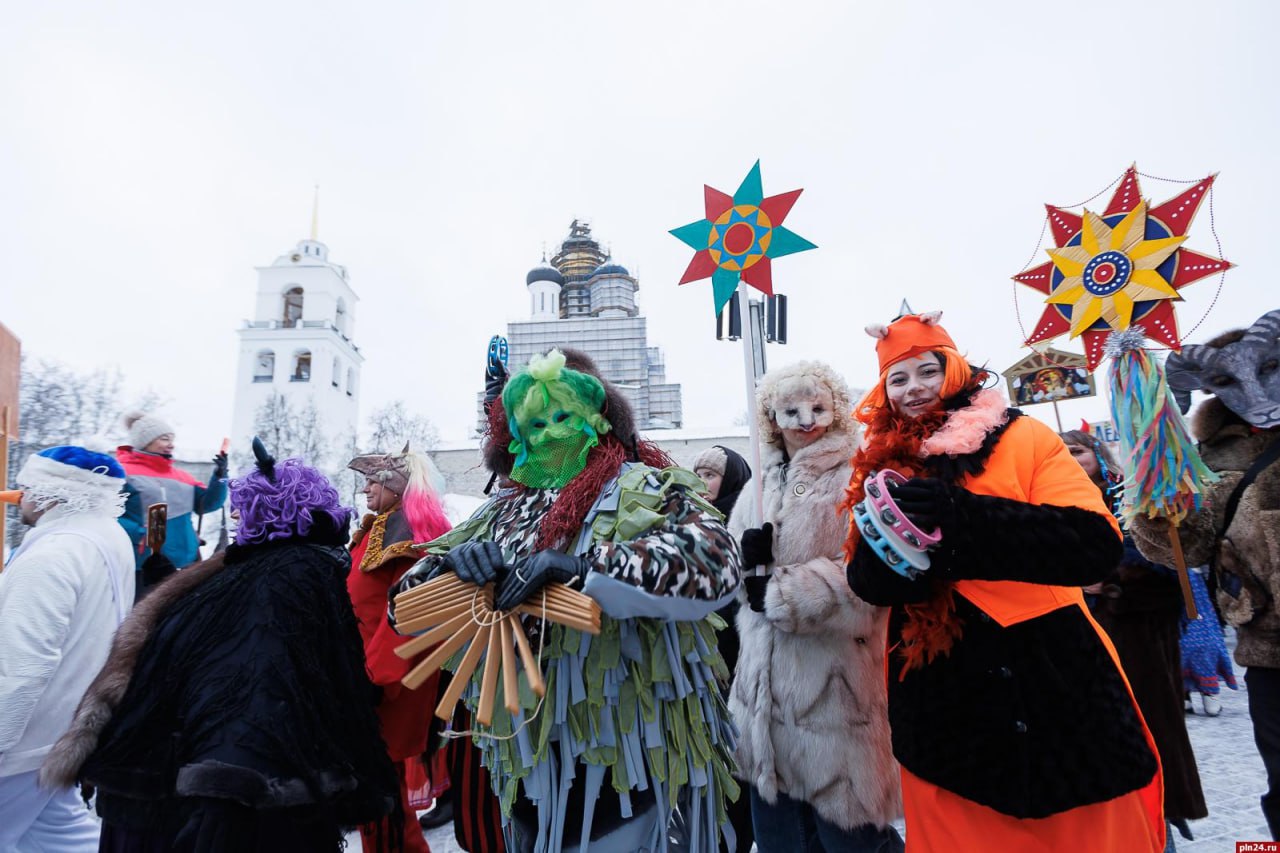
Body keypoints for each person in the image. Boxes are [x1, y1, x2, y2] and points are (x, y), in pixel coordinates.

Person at [390, 348, 741, 852]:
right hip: (526, 768)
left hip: (626, 761)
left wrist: (587, 568)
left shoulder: (643, 487)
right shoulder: (501, 512)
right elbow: (403, 609)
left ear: (598, 420)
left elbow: (716, 563)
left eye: (563, 417)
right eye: (535, 424)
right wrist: (451, 570)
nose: (550, 434)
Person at [843, 311, 1164, 852]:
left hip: (1055, 678)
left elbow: (1093, 545)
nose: (913, 388)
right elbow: (872, 586)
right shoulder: (877, 465)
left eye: (927, 371)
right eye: (897, 378)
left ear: (955, 370)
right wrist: (893, 547)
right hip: (942, 696)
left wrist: (959, 518)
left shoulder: (1024, 436)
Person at [42, 440, 400, 851]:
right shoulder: (262, 563)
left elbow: (255, 684)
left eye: (243, 506)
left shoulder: (286, 577)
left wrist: (222, 799)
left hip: (190, 802)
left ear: (274, 510)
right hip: (170, 784)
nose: (232, 514)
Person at [727, 362, 903, 852]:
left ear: (837, 409)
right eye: (791, 410)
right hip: (763, 707)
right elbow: (732, 577)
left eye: (818, 408)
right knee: (782, 841)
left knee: (852, 843)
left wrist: (785, 594)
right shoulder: (759, 483)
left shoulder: (859, 474)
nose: (806, 420)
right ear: (771, 417)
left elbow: (874, 574)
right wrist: (743, 563)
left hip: (836, 698)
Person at [1138, 307, 1280, 839]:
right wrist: (1156, 490)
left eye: (1269, 368)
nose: (1254, 389)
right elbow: (1185, 545)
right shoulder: (1211, 458)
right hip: (1270, 653)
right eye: (1227, 380)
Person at [1061, 429, 1206, 848]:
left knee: (1149, 738)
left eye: (1077, 451)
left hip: (1137, 639)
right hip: (1078, 641)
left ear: (1097, 453)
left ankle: (1161, 827)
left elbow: (1168, 571)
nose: (1070, 459)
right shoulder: (1050, 503)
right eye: (1062, 452)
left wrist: (1111, 582)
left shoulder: (1131, 499)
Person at [0, 446, 135, 851]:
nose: (21, 497)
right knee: (62, 839)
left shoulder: (52, 555)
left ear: (51, 493)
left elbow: (23, 665)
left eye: (28, 487)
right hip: (64, 732)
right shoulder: (109, 536)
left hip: (24, 741)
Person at [348, 445, 455, 853]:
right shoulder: (381, 527)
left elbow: (407, 615)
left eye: (373, 481)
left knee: (384, 798)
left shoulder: (405, 533)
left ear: (396, 486)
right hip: (368, 676)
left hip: (387, 683)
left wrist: (376, 680)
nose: (366, 489)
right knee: (378, 794)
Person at [692, 444, 755, 853]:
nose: (702, 482)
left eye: (711, 475)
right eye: (697, 474)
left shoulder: (745, 520)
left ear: (731, 479)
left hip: (738, 660)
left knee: (739, 762)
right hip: (706, 665)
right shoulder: (692, 522)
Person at [116, 410, 228, 584]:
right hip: (143, 565)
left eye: (172, 439)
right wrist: (141, 535)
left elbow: (208, 504)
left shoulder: (183, 477)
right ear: (145, 441)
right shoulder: (122, 473)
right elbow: (108, 515)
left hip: (186, 564)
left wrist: (220, 476)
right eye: (164, 439)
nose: (171, 445)